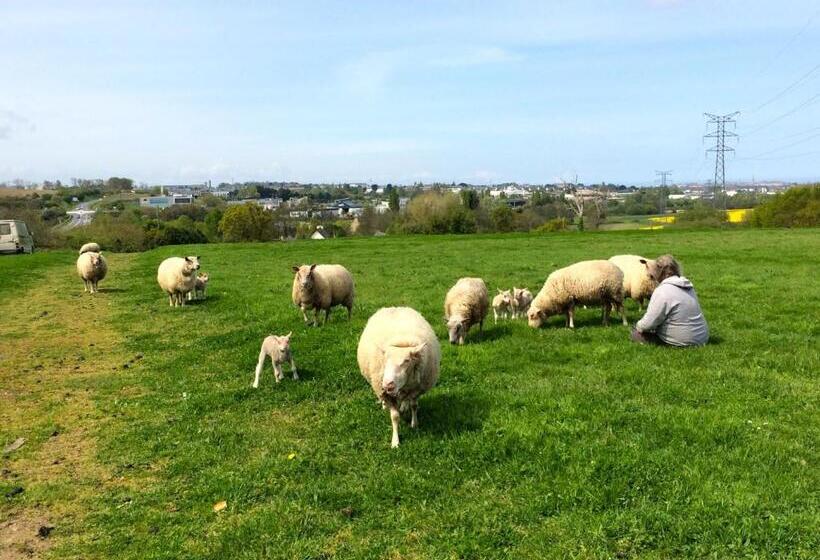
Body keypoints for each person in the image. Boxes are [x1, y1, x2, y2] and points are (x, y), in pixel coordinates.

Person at [631, 255, 709, 347]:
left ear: (659, 271)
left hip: (681, 341)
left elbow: (649, 322)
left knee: (636, 334)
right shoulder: (689, 287)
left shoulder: (662, 291)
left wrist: (638, 326)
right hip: (702, 338)